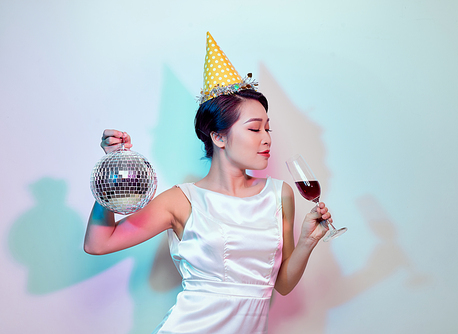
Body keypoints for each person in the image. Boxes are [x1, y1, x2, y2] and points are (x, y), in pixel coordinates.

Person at [84, 33, 333, 334]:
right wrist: (112, 168)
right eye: (254, 129)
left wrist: (308, 240)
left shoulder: (280, 194)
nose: (267, 138)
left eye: (268, 128)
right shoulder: (181, 200)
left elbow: (281, 284)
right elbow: (98, 244)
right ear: (218, 137)